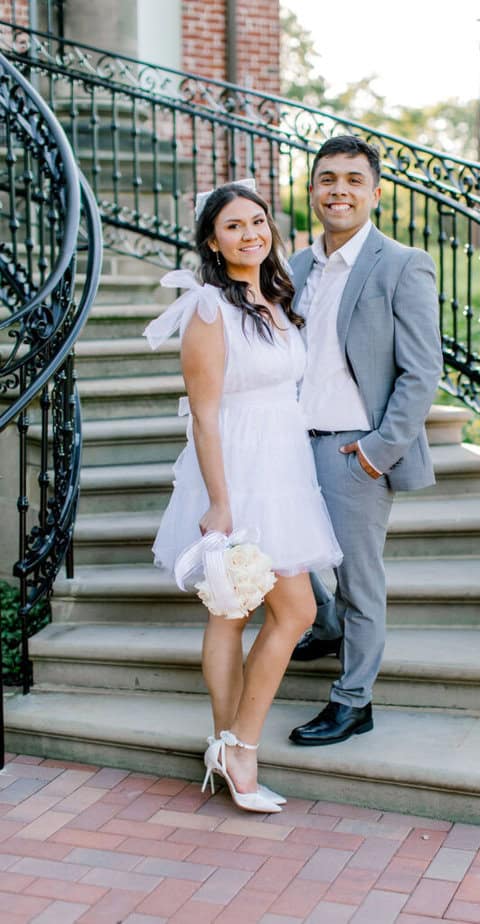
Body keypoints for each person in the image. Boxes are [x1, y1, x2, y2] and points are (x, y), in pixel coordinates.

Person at [143, 180, 342, 811]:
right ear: (212, 239)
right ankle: (240, 748)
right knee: (280, 611)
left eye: (258, 221)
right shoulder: (208, 308)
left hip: (285, 466)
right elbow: (204, 415)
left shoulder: (276, 296)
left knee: (253, 612)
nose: (251, 233)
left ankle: (229, 744)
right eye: (234, 226)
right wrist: (221, 502)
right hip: (239, 467)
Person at [288, 136, 442, 747]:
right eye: (328, 179)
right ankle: (325, 624)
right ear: (312, 192)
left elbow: (421, 371)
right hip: (291, 442)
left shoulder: (402, 264)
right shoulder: (297, 266)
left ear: (374, 193)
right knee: (281, 552)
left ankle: (354, 701)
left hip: (355, 447)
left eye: (353, 180)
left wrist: (380, 450)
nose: (339, 190)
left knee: (359, 579)